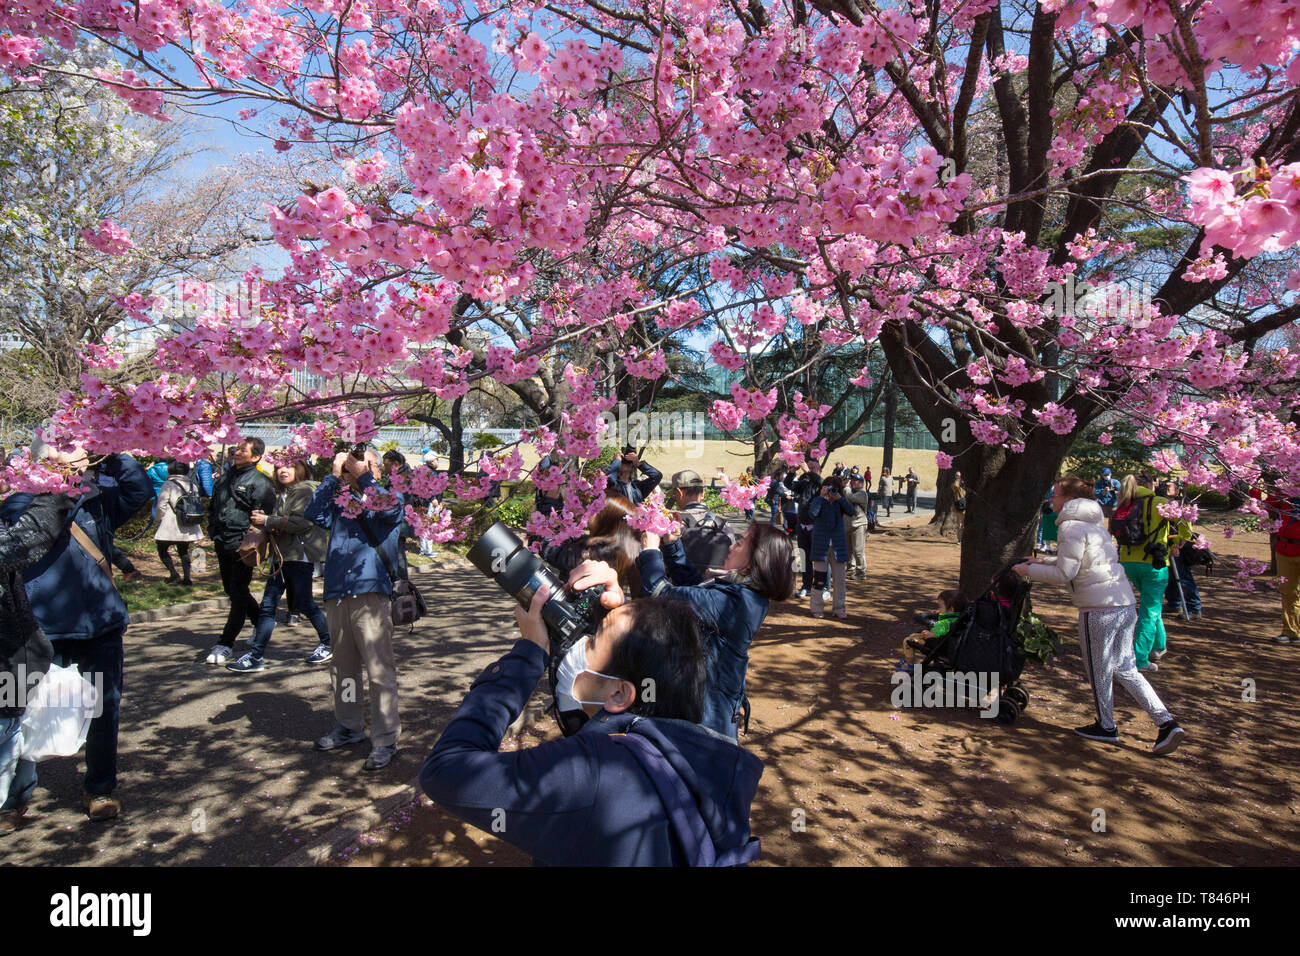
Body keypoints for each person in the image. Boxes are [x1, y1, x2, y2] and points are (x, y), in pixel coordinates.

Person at [420, 576, 764, 866]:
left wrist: (527, 655)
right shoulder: (700, 752)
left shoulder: (595, 773)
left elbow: (445, 769)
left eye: (594, 638)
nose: (579, 644)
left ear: (620, 695)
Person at [0, 443, 152, 821]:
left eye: (80, 452)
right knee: (22, 712)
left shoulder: (97, 501)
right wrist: (53, 486)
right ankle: (15, 796)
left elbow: (139, 490)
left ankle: (99, 789)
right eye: (62, 451)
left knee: (104, 710)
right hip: (35, 632)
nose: (74, 458)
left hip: (99, 625)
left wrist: (110, 448)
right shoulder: (16, 501)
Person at [1014, 476, 1185, 755]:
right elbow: (1079, 562)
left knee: (1099, 669)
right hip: (1123, 605)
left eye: (1055, 494)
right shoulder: (1093, 525)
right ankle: (1166, 722)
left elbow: (1065, 573)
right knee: (1126, 668)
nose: (1051, 500)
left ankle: (1106, 726)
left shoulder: (1069, 528)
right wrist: (1041, 561)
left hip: (1098, 610)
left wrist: (1028, 571)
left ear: (1068, 499)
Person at [635, 522, 794, 739]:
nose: (731, 547)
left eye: (739, 544)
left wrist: (650, 550)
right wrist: (672, 545)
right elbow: (695, 589)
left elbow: (659, 592)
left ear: (752, 562)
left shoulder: (736, 602)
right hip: (707, 715)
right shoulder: (742, 594)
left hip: (704, 728)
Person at [305, 448, 406, 771]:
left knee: (378, 670)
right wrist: (333, 476)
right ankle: (349, 726)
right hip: (337, 593)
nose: (354, 469)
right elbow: (312, 514)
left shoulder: (389, 497)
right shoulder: (339, 500)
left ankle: (385, 738)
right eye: (350, 467)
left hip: (370, 593)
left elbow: (390, 511)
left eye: (364, 465)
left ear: (376, 469)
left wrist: (363, 475)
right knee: (344, 669)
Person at [1, 493, 74, 834]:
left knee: (16, 728)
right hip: (11, 658)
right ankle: (12, 801)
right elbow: (22, 544)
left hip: (17, 657)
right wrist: (55, 484)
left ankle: (14, 800)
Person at [227, 460, 331, 672]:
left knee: (305, 603)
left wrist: (267, 521)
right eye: (279, 467)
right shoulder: (284, 493)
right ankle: (256, 656)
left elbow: (301, 522)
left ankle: (329, 643)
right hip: (282, 556)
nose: (283, 470)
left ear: (300, 469)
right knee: (268, 606)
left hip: (298, 556)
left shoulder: (304, 490)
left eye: (289, 466)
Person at [204, 437, 276, 665]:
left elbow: (263, 515)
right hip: (221, 539)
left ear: (256, 456)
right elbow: (215, 503)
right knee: (233, 590)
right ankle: (259, 621)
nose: (237, 452)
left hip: (242, 543)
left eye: (243, 450)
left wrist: (254, 535)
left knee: (237, 591)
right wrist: (212, 528)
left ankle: (226, 643)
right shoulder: (226, 476)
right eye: (237, 448)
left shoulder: (261, 482)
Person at [1112, 474, 1193, 671]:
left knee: (1152, 606)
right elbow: (1185, 530)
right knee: (1149, 611)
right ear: (1150, 484)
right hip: (1154, 563)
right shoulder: (1160, 503)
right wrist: (1177, 541)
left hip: (1128, 562)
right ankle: (1139, 659)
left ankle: (1158, 647)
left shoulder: (1124, 504)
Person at [670, 469, 736, 578]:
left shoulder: (674, 522)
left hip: (683, 588)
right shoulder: (723, 523)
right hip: (716, 587)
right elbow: (733, 554)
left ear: (679, 493)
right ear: (703, 493)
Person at [808, 476, 855, 619]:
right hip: (821, 547)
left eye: (834, 487)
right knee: (819, 580)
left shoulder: (840, 502)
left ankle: (839, 608)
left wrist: (839, 498)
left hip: (838, 547)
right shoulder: (819, 501)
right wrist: (821, 497)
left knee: (840, 580)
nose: (831, 490)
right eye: (828, 486)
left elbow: (851, 511)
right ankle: (817, 607)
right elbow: (812, 514)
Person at [154, 460, 203, 585]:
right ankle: (187, 578)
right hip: (188, 523)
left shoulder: (169, 484)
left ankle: (173, 573)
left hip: (171, 524)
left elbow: (161, 505)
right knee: (183, 551)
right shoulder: (193, 484)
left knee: (162, 548)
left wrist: (159, 519)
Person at [899, 590, 968, 671]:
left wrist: (930, 633)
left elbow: (940, 630)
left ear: (951, 609)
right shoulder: (958, 618)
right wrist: (940, 612)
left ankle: (909, 664)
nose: (939, 609)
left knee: (908, 640)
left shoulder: (946, 622)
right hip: (947, 645)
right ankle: (908, 660)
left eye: (940, 607)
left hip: (936, 644)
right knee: (913, 636)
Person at [1272, 490, 1300, 644]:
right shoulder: (1287, 493)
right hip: (1284, 549)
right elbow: (1268, 504)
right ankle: (1290, 631)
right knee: (1287, 591)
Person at [793, 461, 823, 597]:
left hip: (816, 527)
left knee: (818, 559)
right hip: (802, 526)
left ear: (819, 470)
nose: (808, 470)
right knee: (804, 558)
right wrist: (791, 471)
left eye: (813, 468)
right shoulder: (804, 484)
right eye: (808, 467)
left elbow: (821, 482)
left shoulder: (822, 485)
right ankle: (806, 586)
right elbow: (790, 485)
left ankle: (822, 587)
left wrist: (807, 471)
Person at [844, 474, 871, 579]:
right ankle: (850, 569)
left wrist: (846, 487)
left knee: (858, 550)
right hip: (848, 525)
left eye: (857, 481)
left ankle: (861, 572)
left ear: (861, 483)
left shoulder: (862, 494)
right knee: (849, 550)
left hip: (859, 524)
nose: (854, 482)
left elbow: (850, 497)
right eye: (853, 480)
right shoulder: (849, 492)